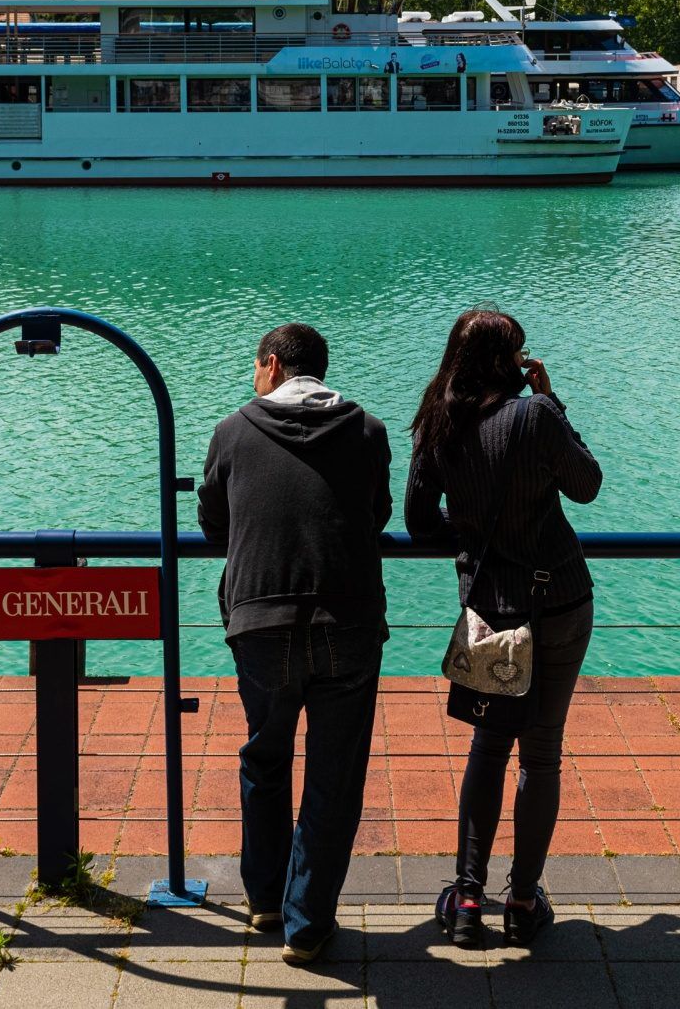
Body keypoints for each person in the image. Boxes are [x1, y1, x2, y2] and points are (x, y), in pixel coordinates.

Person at [406, 308, 602, 949]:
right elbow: (587, 486)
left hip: (492, 609)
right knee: (541, 753)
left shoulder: (436, 422)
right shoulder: (536, 415)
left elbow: (418, 522)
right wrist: (553, 402)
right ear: (507, 361)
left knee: (488, 750)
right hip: (561, 602)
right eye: (519, 354)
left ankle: (467, 898)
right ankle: (522, 901)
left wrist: (468, 536)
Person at [196, 323, 392, 966]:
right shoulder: (367, 431)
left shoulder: (231, 432)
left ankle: (264, 899)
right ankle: (307, 923)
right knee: (334, 774)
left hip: (261, 620)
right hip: (350, 623)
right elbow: (378, 513)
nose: (253, 378)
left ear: (272, 365)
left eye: (255, 367)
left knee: (265, 756)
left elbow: (213, 524)